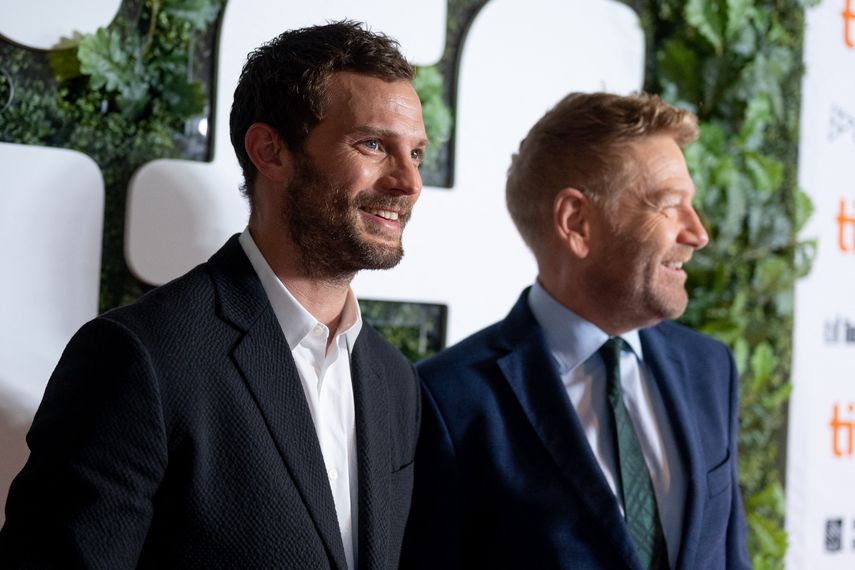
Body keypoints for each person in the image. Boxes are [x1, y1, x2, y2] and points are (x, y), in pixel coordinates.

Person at [0, 21, 427, 569]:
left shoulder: (394, 381)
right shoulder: (137, 359)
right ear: (270, 151)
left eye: (415, 153)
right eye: (372, 144)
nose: (409, 182)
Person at [401, 92, 750, 570]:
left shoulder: (711, 369)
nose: (698, 233)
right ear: (577, 222)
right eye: (669, 206)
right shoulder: (447, 401)